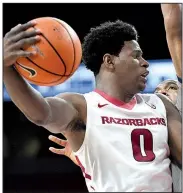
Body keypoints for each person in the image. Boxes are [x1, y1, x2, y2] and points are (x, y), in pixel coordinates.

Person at [3, 4, 181, 192]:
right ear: (109, 61)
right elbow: (40, 114)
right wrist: (5, 67)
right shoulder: (82, 107)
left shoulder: (161, 104)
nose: (145, 63)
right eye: (136, 56)